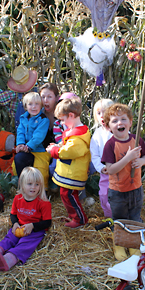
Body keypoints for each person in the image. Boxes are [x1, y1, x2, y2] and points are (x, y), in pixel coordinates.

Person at [0, 167, 52, 271]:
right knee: (9, 238)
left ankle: (8, 260)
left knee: (25, 244)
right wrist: (15, 224)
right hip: (19, 227)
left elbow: (47, 222)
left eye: (37, 184)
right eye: (30, 184)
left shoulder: (44, 203)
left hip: (34, 231)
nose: (34, 187)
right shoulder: (18, 198)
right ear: (22, 184)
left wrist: (32, 226)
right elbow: (13, 214)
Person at [101, 103, 145, 260]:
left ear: (130, 122)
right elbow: (111, 169)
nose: (119, 123)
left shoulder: (137, 140)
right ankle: (119, 245)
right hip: (118, 192)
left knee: (135, 218)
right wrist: (128, 158)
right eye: (114, 121)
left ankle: (134, 244)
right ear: (108, 126)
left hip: (135, 188)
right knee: (120, 220)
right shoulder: (110, 145)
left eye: (123, 119)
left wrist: (141, 162)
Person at [46, 97, 91, 228]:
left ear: (71, 115)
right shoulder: (75, 132)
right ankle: (74, 216)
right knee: (67, 195)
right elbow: (66, 144)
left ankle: (80, 219)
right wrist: (58, 145)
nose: (62, 123)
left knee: (69, 196)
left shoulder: (78, 137)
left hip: (73, 173)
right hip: (70, 172)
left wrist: (54, 150)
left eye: (63, 119)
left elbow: (68, 151)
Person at [14, 92, 50, 181]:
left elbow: (38, 136)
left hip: (39, 150)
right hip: (26, 148)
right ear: (26, 106)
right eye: (30, 104)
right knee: (18, 159)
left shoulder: (43, 119)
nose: (34, 107)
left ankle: (42, 191)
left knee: (41, 169)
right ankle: (22, 184)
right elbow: (20, 132)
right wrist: (20, 144)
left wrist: (29, 146)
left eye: (37, 104)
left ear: (41, 106)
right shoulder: (23, 118)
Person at [90, 98, 115, 218]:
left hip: (119, 172)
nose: (102, 116)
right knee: (104, 195)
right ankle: (109, 216)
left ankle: (120, 218)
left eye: (105, 112)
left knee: (118, 195)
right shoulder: (97, 134)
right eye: (99, 113)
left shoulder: (119, 131)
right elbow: (94, 155)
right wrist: (100, 167)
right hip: (105, 172)